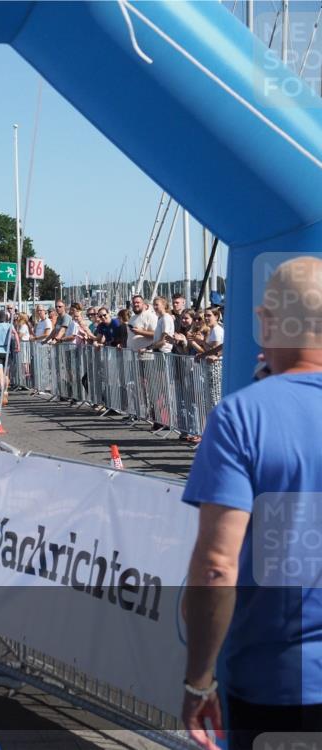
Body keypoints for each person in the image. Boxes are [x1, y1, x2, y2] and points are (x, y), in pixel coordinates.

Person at [180, 256, 322, 750]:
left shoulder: (244, 417)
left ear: (268, 321)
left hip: (281, 684)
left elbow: (217, 566)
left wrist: (199, 679)